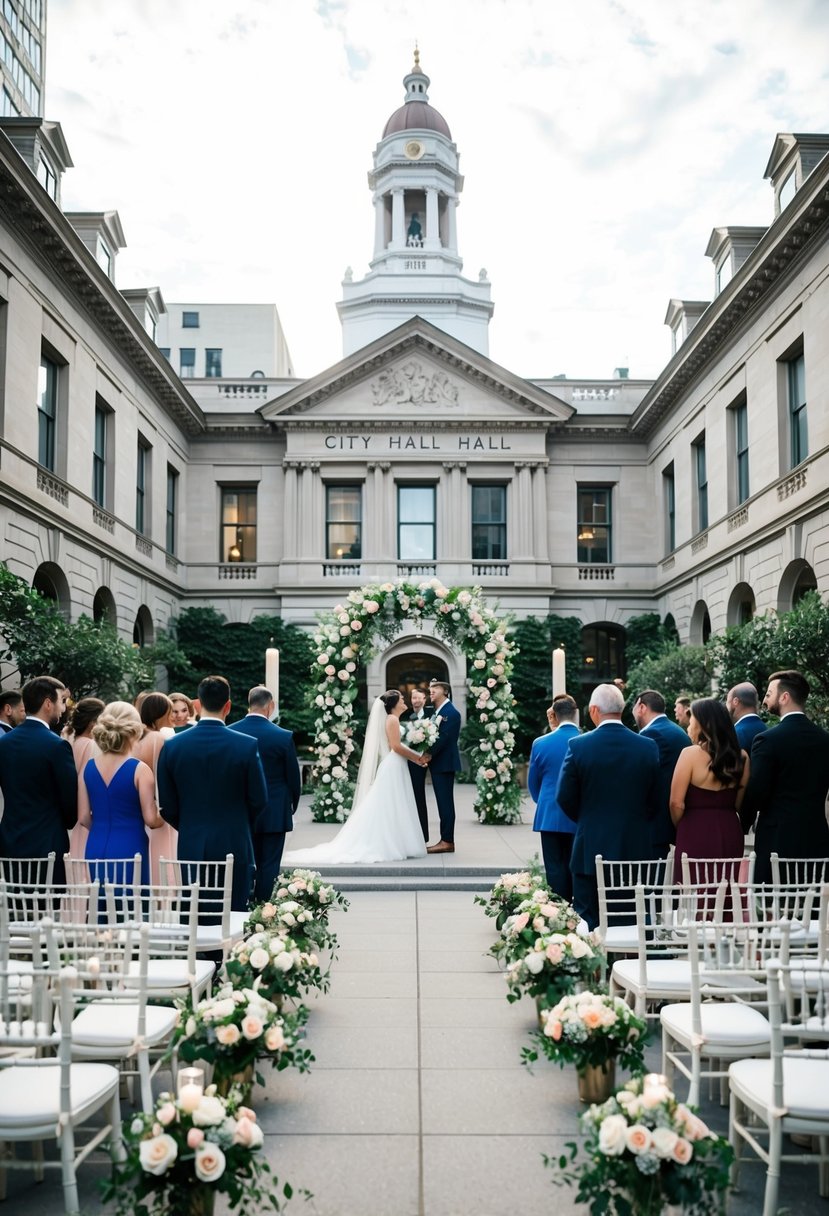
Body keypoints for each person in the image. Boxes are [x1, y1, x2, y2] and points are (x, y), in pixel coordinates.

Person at [156, 675, 267, 910]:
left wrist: (188, 823)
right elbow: (259, 799)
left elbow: (166, 803)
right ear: (228, 706)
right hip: (234, 840)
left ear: (198, 705)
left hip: (191, 840)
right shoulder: (246, 745)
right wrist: (239, 820)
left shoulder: (173, 746)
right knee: (233, 909)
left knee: (195, 909)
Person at [556, 682, 660, 929]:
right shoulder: (647, 746)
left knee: (588, 920)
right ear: (622, 709)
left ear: (593, 710)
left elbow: (564, 795)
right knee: (632, 919)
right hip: (635, 848)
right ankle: (630, 964)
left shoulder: (579, 746)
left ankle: (595, 967)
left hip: (590, 846)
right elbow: (656, 797)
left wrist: (586, 818)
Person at [284, 690, 427, 866]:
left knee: (394, 804)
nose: (405, 700)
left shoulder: (393, 719)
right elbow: (396, 746)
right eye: (402, 698)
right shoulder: (392, 719)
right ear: (394, 704)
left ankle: (397, 840)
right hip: (394, 764)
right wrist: (417, 758)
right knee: (391, 803)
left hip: (397, 764)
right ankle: (389, 842)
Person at [740, 670, 829, 883]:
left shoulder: (767, 740)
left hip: (777, 839)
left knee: (775, 906)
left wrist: (742, 824)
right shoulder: (825, 740)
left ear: (785, 697)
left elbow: (757, 791)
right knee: (812, 907)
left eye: (769, 693)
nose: (764, 700)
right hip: (816, 835)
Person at [0, 675, 77, 885]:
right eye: (62, 701)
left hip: (10, 840)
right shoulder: (57, 746)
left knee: (16, 910)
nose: (64, 709)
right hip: (48, 843)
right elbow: (70, 803)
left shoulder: (4, 743)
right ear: (48, 703)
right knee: (47, 914)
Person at [230, 686, 302, 902]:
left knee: (242, 861)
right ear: (270, 706)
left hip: (240, 811)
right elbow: (293, 777)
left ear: (249, 703)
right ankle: (263, 908)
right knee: (269, 864)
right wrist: (291, 805)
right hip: (274, 810)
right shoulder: (283, 736)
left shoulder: (231, 732)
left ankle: (240, 906)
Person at [78, 701, 161, 886]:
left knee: (101, 906)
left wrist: (103, 826)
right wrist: (167, 814)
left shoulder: (88, 767)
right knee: (130, 908)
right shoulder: (140, 769)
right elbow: (151, 819)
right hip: (131, 847)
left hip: (95, 844)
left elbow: (83, 817)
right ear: (135, 730)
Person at [669, 698, 748, 888]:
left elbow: (676, 803)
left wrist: (684, 824)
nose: (689, 723)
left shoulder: (689, 754)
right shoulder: (742, 757)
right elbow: (738, 803)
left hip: (694, 830)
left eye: (692, 718)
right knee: (725, 889)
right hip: (730, 829)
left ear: (704, 723)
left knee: (693, 891)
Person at [527, 695, 579, 901]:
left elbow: (533, 782)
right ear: (575, 714)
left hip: (549, 812)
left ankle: (558, 909)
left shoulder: (540, 743)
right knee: (576, 864)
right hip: (579, 814)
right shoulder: (586, 740)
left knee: (554, 867)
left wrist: (544, 800)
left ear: (554, 716)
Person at [632, 689, 692, 857]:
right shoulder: (677, 731)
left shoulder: (651, 734)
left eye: (635, 710)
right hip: (671, 822)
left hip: (653, 826)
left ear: (642, 707)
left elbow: (643, 778)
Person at [133, 692, 177, 880]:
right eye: (170, 712)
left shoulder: (135, 740)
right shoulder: (158, 739)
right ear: (159, 714)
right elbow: (164, 778)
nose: (173, 716)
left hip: (138, 809)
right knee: (162, 860)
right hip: (159, 811)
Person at [66, 696, 105, 863]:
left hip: (76, 818)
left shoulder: (74, 743)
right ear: (93, 722)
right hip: (86, 815)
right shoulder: (90, 745)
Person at [425, 681, 462, 855]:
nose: (430, 691)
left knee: (445, 802)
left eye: (435, 689)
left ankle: (447, 841)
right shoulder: (437, 712)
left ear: (445, 691)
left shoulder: (451, 713)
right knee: (442, 802)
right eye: (430, 689)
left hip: (445, 763)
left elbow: (444, 738)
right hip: (438, 763)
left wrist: (427, 754)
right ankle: (445, 839)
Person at [401, 686, 434, 842]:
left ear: (424, 699)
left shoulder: (431, 715)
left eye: (419, 698)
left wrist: (427, 755)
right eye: (414, 698)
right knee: (408, 796)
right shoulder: (405, 715)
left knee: (419, 796)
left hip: (426, 759)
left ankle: (423, 835)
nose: (416, 701)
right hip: (409, 760)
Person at [726, 682, 767, 752]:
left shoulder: (735, 735)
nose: (726, 706)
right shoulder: (766, 728)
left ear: (735, 701)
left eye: (727, 701)